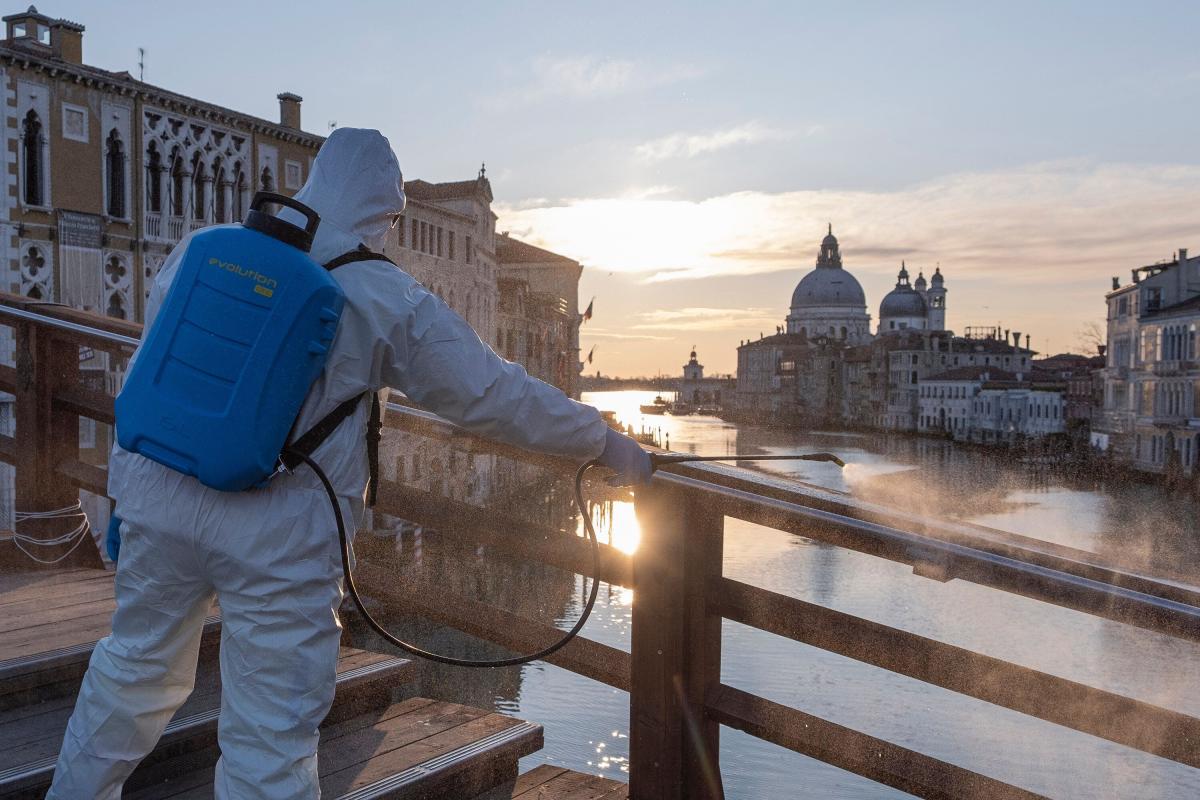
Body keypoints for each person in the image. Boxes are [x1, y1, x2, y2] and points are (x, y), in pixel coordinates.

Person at [47, 127, 652, 799]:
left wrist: (125, 499)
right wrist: (601, 440)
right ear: (383, 213)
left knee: (130, 673)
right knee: (269, 737)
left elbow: (152, 371)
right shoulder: (382, 293)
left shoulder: (204, 248)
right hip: (276, 539)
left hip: (158, 501)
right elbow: (490, 392)